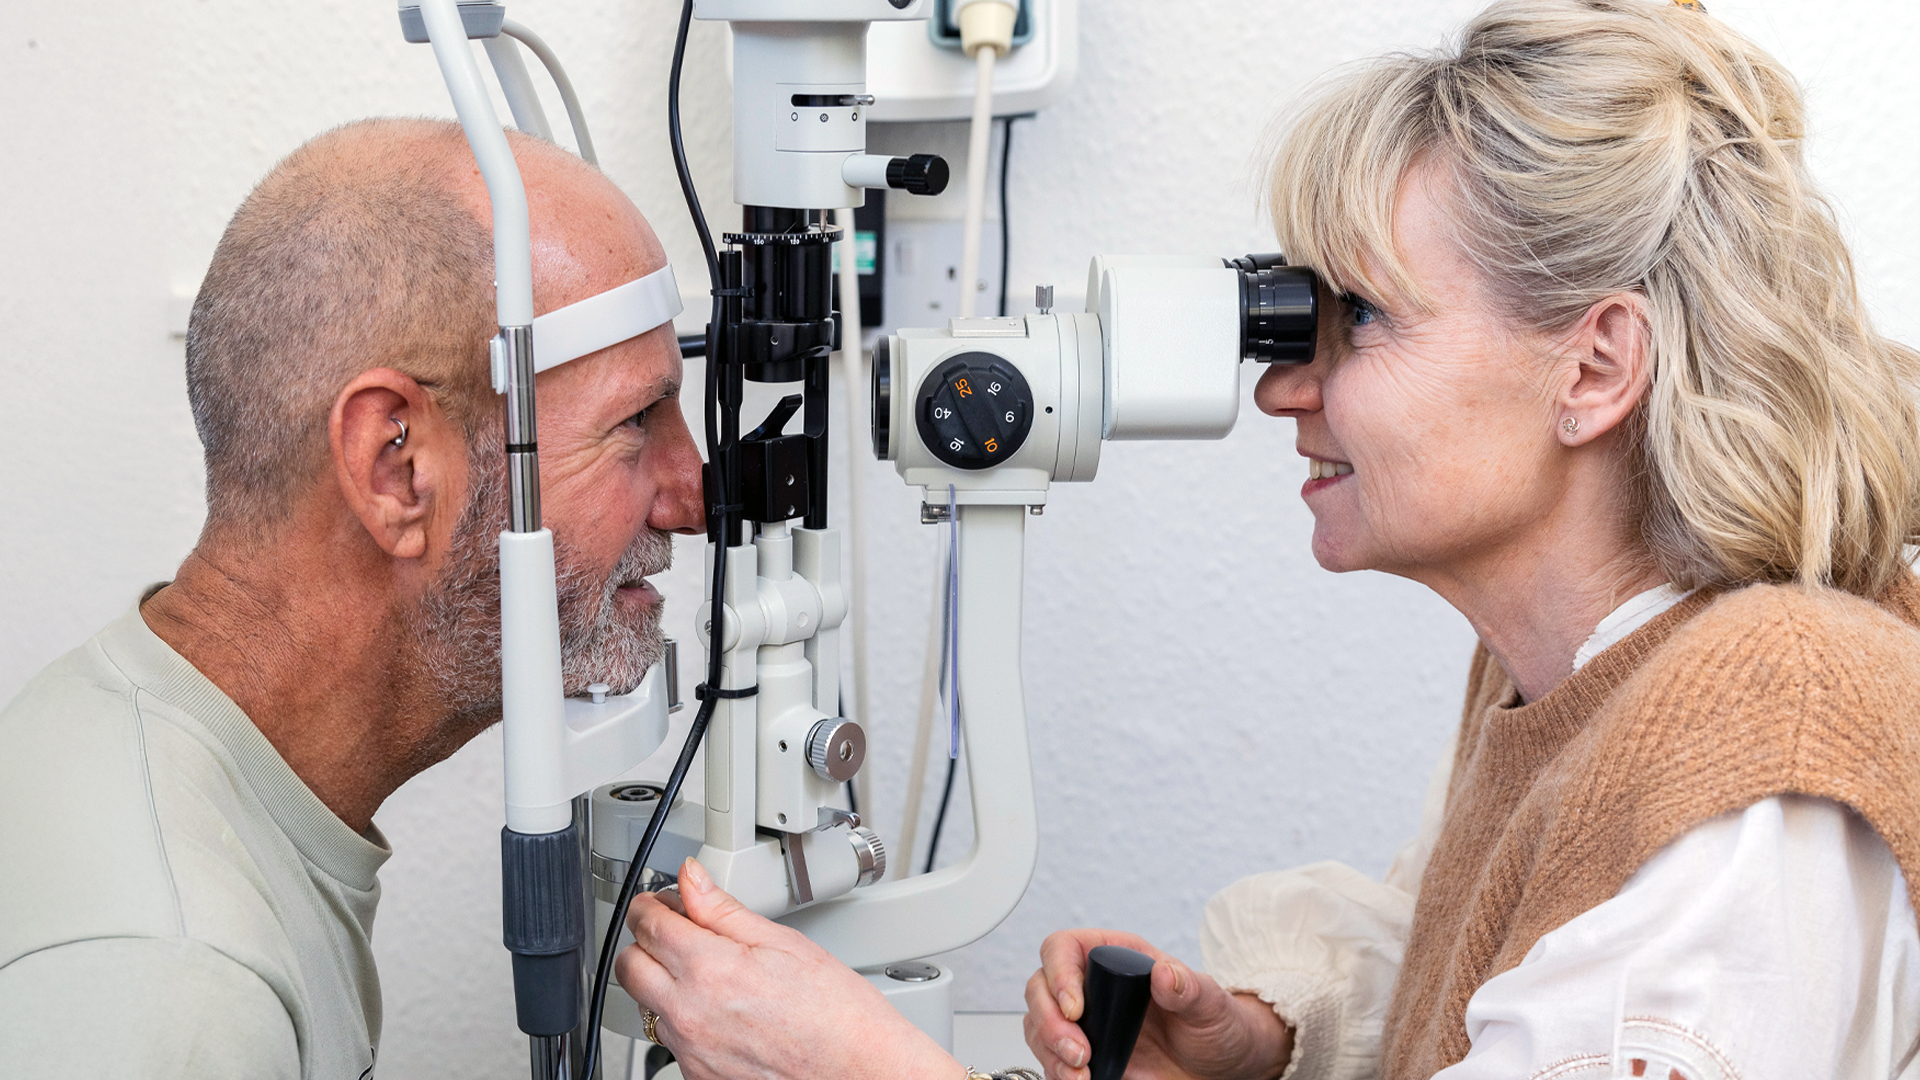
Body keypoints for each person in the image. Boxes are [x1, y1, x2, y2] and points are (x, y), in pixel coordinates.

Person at [614, 1, 1920, 1078]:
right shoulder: (1578, 675)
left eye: (1362, 320)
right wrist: (1267, 1045)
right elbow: (1483, 967)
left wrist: (871, 1070)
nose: (1287, 388)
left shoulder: (1766, 735)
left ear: (1596, 367)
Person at [0, 118, 705, 1076]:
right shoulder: (178, 987)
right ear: (395, 470)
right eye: (635, 421)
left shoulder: (131, 735)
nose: (694, 496)